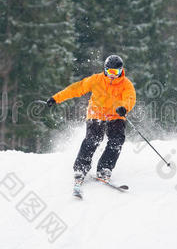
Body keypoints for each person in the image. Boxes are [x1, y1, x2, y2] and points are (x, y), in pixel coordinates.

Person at [47, 55, 136, 193]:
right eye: (110, 72)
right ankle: (80, 168)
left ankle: (104, 168)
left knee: (117, 140)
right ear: (105, 70)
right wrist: (56, 98)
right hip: (97, 113)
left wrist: (124, 107)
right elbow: (75, 89)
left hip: (115, 114)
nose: (113, 75)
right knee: (93, 139)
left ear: (121, 71)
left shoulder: (126, 84)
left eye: (116, 72)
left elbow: (130, 98)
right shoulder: (96, 80)